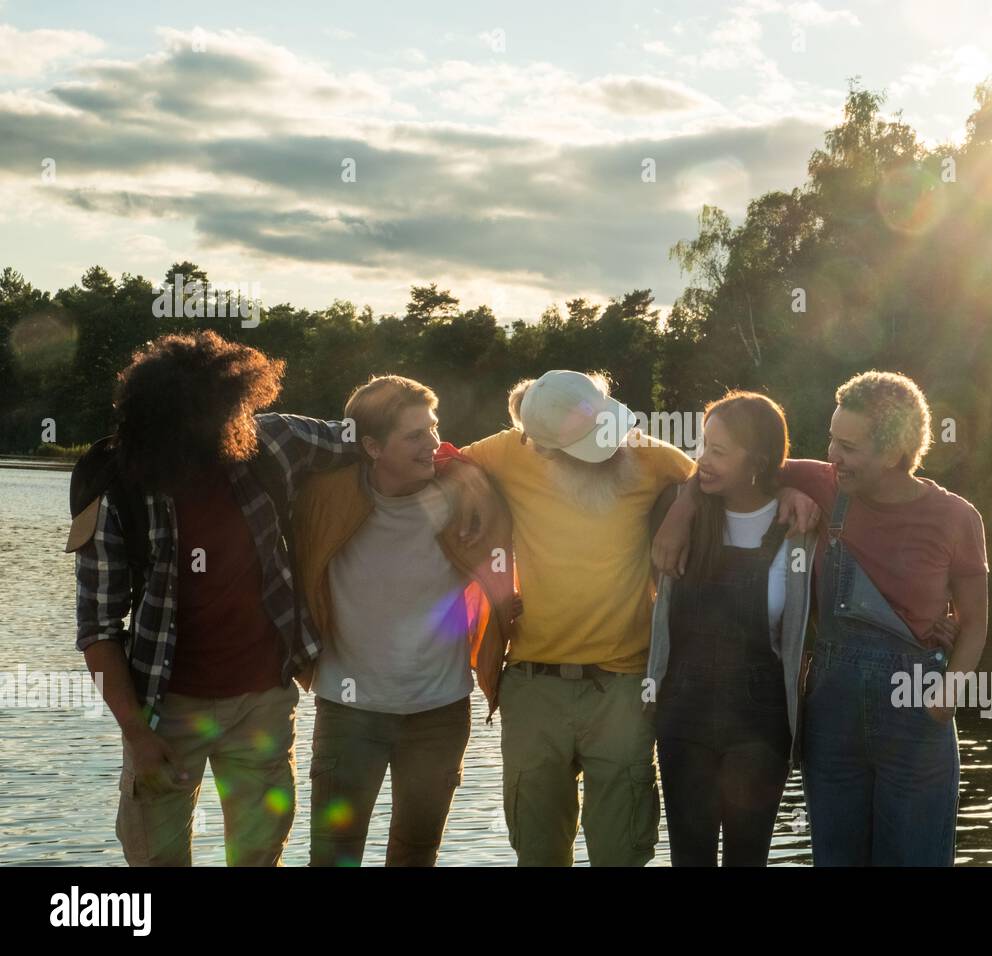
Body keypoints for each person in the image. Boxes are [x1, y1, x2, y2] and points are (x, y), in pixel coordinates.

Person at [459, 370, 819, 866]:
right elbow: (439, 467)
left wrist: (700, 504)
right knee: (538, 851)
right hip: (532, 683)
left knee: (623, 851)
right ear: (539, 445)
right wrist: (488, 584)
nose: (606, 447)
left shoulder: (650, 458)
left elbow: (723, 471)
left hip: (627, 687)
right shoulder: (506, 451)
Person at [654, 370, 986, 866]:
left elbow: (976, 623)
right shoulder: (822, 483)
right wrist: (681, 511)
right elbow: (723, 463)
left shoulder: (958, 517)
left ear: (895, 452)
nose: (831, 455)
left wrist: (950, 692)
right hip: (831, 715)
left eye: (847, 446)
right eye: (831, 438)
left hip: (917, 711)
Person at [68, 331, 359, 866]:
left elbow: (367, 439)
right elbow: (99, 629)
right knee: (155, 860)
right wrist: (135, 731)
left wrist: (457, 468)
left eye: (233, 414)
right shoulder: (117, 489)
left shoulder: (270, 444)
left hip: (264, 704)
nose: (229, 428)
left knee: (258, 854)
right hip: (164, 711)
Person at [292, 375, 515, 866]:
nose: (432, 443)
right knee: (332, 856)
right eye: (414, 435)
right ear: (371, 446)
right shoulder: (321, 497)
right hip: (348, 711)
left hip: (439, 713)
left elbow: (524, 453)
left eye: (434, 429)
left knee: (417, 854)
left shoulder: (465, 493)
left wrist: (465, 470)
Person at [645, 391, 816, 866]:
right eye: (704, 446)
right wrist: (685, 500)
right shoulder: (678, 515)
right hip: (683, 713)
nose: (704, 461)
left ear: (757, 459)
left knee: (749, 858)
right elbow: (632, 457)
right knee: (689, 857)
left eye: (719, 452)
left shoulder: (799, 526)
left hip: (760, 722)